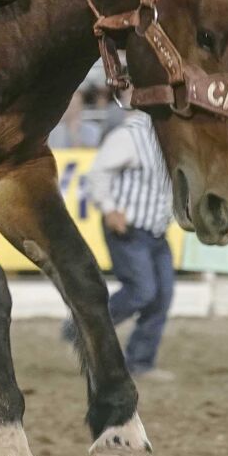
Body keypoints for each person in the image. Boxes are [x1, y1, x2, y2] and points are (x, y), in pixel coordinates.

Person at [78, 110, 175, 381]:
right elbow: (98, 173)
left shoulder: (171, 137)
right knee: (142, 291)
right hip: (128, 227)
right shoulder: (130, 134)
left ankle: (140, 362)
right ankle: (85, 327)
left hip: (156, 229)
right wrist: (109, 209)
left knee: (162, 296)